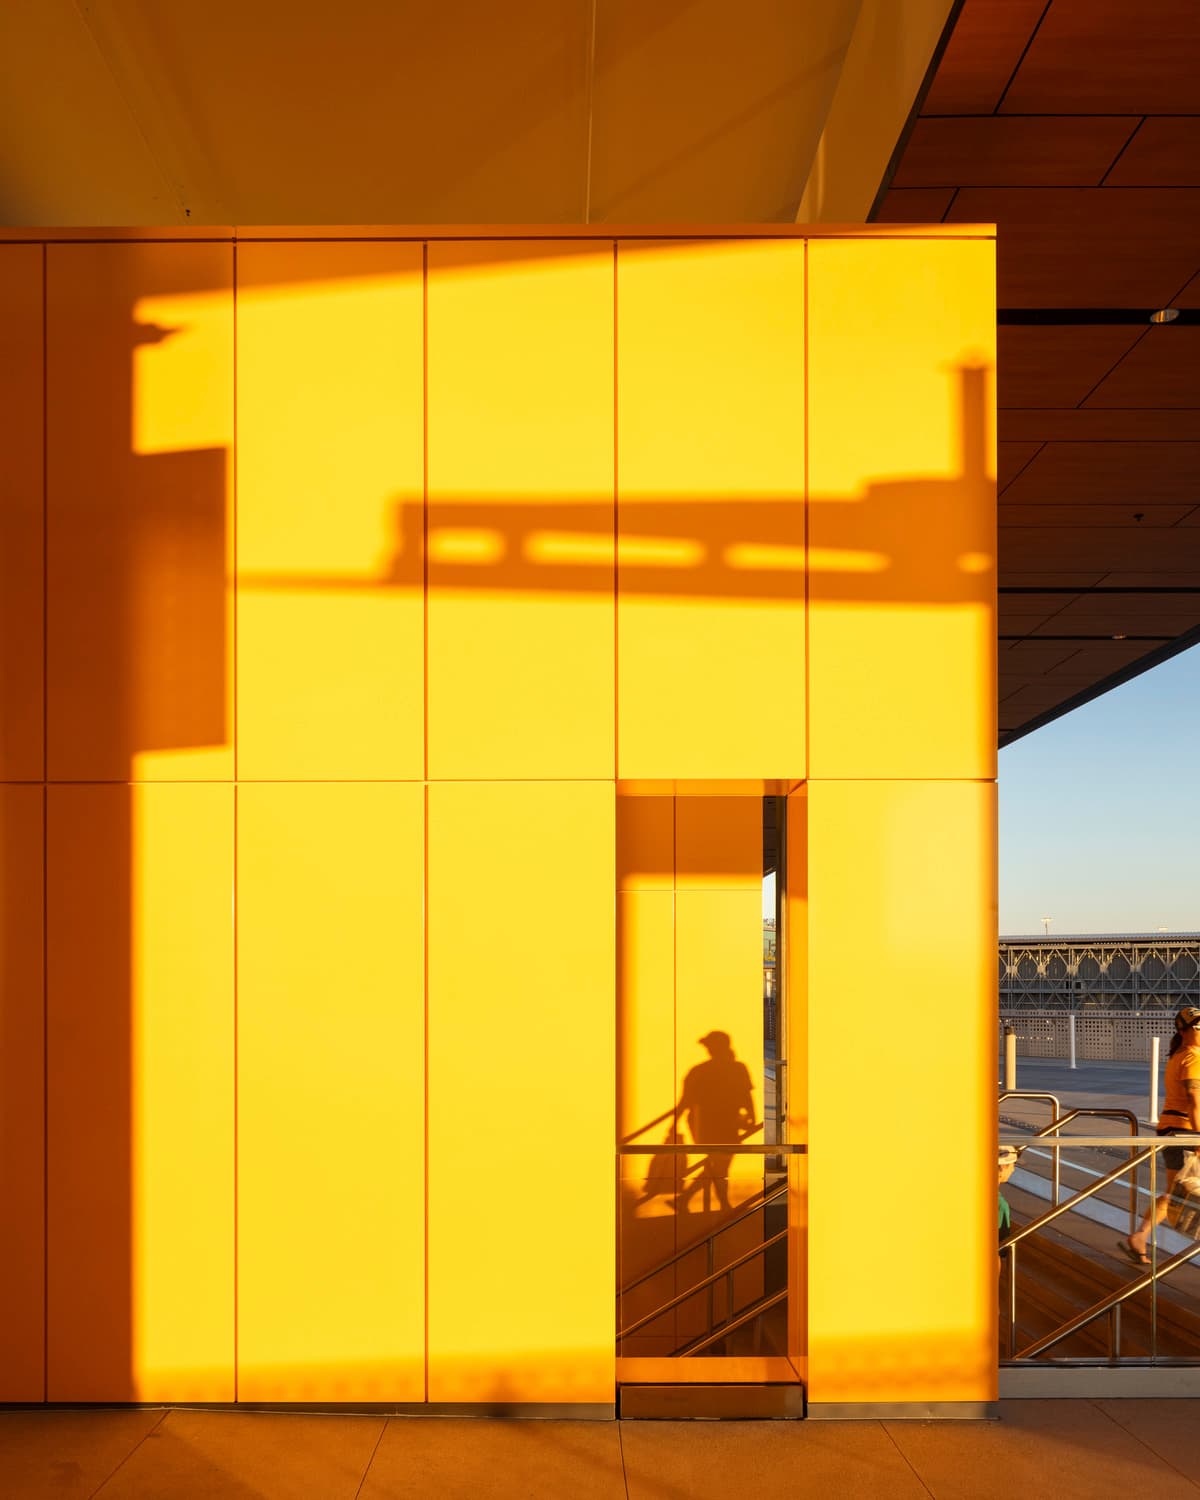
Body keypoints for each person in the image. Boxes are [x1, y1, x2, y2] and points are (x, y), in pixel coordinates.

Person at [1119, 1004, 1200, 1267]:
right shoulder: (1192, 1057)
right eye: (1197, 1026)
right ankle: (1141, 1236)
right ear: (1184, 1031)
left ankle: (1140, 1236)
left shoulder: (1178, 1055)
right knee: (1179, 1192)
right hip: (1186, 1131)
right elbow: (1194, 1100)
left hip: (1172, 1128)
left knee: (1174, 1192)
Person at [675, 1030, 756, 1213]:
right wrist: (752, 1115)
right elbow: (686, 1100)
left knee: (717, 1164)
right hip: (708, 1124)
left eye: (710, 1046)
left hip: (721, 1123)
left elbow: (745, 1094)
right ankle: (723, 1205)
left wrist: (752, 1115)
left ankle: (686, 1198)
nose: (708, 1050)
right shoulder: (708, 1070)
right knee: (718, 1164)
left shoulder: (732, 1069)